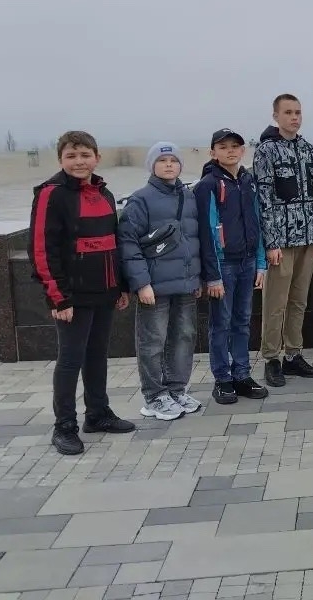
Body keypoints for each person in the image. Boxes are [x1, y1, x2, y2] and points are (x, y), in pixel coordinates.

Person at [28, 131, 135, 455]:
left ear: (96, 158)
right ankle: (64, 426)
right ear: (61, 159)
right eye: (71, 156)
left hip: (104, 291)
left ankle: (98, 413)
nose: (79, 161)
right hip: (72, 296)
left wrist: (120, 286)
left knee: (97, 355)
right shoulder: (51, 194)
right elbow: (41, 249)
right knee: (70, 359)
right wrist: (57, 297)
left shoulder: (105, 193)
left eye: (85, 155)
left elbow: (113, 244)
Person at [118, 142, 203, 421]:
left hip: (186, 283)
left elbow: (195, 240)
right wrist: (141, 283)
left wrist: (197, 277)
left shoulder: (188, 196)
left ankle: (176, 390)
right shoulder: (140, 200)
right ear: (151, 165)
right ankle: (154, 396)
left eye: (173, 160)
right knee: (153, 341)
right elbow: (128, 244)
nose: (169, 164)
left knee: (184, 338)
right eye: (162, 160)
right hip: (154, 286)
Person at [253, 93, 313, 386]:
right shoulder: (266, 151)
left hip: (307, 239)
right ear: (276, 116)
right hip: (281, 243)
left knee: (299, 301)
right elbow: (264, 199)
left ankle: (293, 354)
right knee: (276, 303)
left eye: (297, 112)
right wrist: (271, 243)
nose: (294, 117)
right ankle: (272, 358)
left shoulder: (308, 150)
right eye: (288, 112)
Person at [194, 129, 270, 405]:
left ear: (243, 150)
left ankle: (242, 374)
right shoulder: (207, 185)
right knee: (221, 324)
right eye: (223, 147)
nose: (230, 151)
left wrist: (261, 263)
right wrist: (212, 276)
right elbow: (206, 232)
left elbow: (257, 222)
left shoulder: (248, 181)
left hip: (248, 261)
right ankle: (222, 378)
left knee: (242, 321)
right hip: (223, 264)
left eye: (235, 146)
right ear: (212, 152)